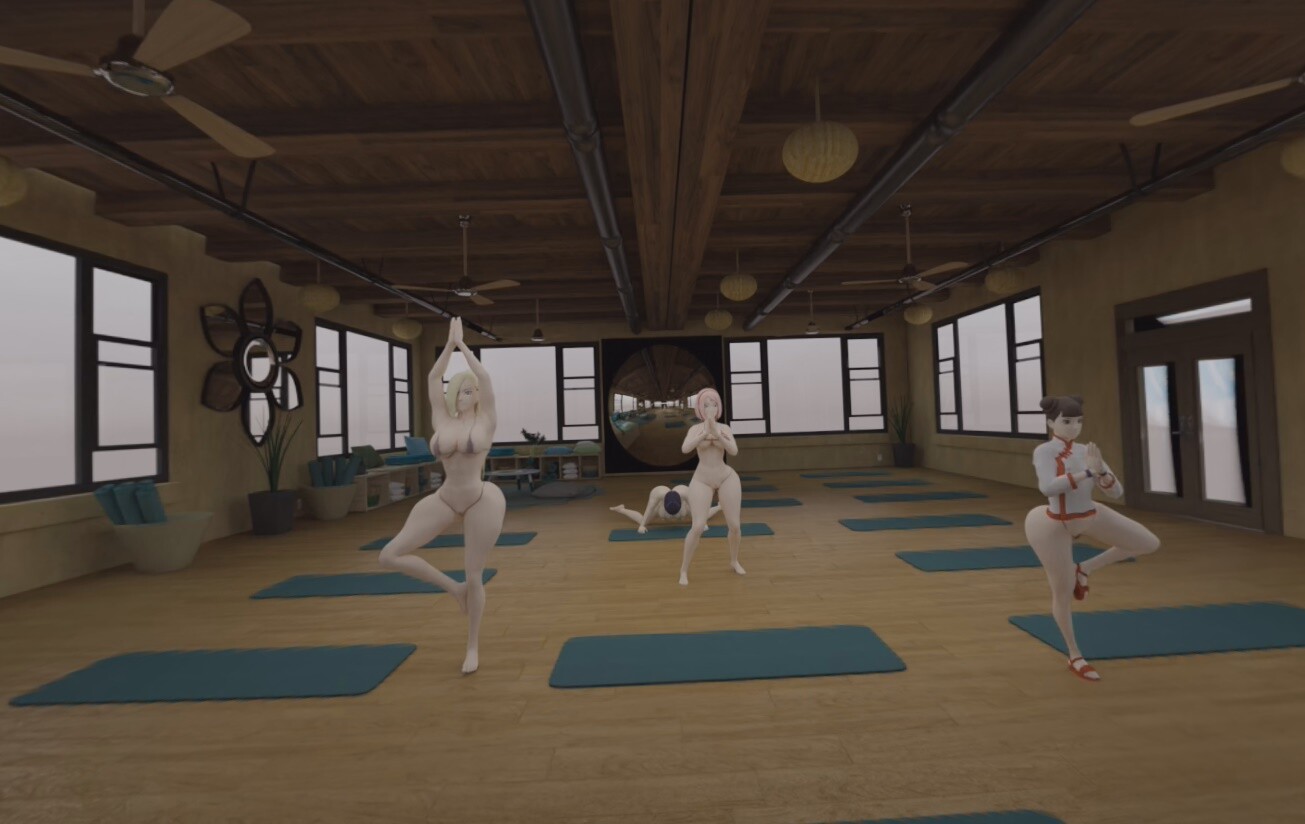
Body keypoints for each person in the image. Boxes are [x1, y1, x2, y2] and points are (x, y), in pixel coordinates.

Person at [378, 318, 504, 675]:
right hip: (446, 497)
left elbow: (486, 379)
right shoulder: (442, 421)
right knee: (389, 555)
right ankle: (454, 589)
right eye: (461, 390)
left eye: (471, 390)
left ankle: (472, 646)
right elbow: (433, 379)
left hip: (480, 499)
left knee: (475, 574)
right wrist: (449, 346)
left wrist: (465, 347)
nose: (467, 394)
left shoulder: (486, 421)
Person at [1025, 395, 1161, 682]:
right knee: (1062, 591)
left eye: (1078, 421)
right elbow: (1047, 488)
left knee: (1148, 543)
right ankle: (1075, 654)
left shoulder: (1087, 450)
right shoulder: (1044, 452)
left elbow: (1116, 492)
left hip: (1090, 513)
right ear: (1050, 423)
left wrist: (1103, 475)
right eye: (1067, 421)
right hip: (1054, 525)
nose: (1074, 427)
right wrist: (1087, 471)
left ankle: (1084, 568)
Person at [678, 387, 744, 585]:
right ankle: (683, 570)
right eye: (706, 405)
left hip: (726, 477)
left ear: (718, 407)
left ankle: (734, 560)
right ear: (700, 408)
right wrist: (705, 433)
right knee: (698, 526)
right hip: (702, 479)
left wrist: (717, 433)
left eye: (713, 404)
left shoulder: (725, 428)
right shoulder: (695, 429)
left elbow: (733, 450)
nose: (710, 408)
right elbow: (685, 448)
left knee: (735, 525)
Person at [609, 484, 721, 532]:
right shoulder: (657, 493)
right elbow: (649, 509)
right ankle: (621, 509)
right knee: (643, 520)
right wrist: (642, 525)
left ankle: (719, 507)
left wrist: (702, 523)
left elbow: (696, 510)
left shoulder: (686, 492)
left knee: (701, 517)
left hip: (684, 508)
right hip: (660, 510)